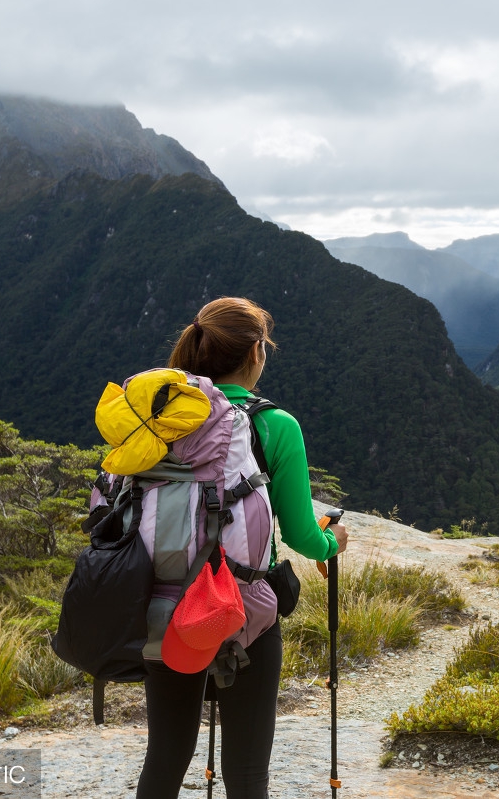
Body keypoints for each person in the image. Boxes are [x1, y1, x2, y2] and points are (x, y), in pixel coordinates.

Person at [135, 296, 347, 799]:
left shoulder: (160, 416)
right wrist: (332, 541)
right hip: (241, 611)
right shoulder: (276, 425)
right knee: (248, 772)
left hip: (163, 604)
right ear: (257, 352)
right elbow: (300, 536)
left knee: (164, 759)